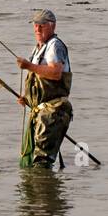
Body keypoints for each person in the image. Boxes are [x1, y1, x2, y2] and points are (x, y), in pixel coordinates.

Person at [16, 9, 72, 168]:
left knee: (41, 162)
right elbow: (39, 78)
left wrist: (28, 65)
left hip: (53, 112)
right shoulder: (38, 48)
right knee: (31, 161)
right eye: (35, 25)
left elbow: (55, 73)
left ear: (52, 26)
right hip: (39, 113)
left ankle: (45, 191)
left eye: (42, 25)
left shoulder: (55, 45)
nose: (37, 29)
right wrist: (27, 98)